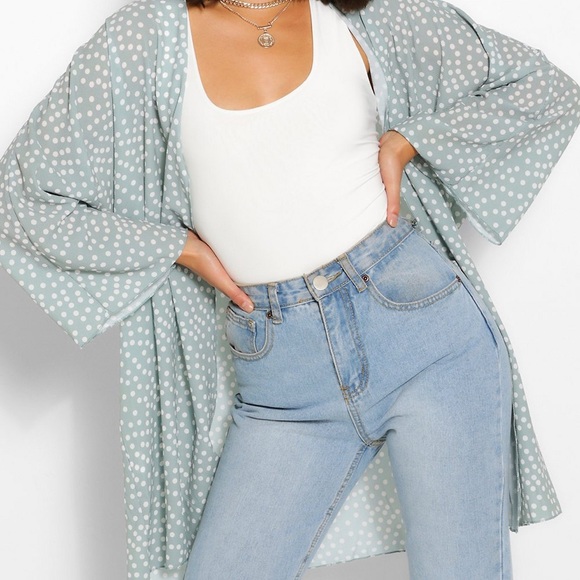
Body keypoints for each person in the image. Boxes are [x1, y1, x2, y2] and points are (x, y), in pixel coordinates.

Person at [1, 0, 579, 579]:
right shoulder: (142, 38)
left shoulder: (368, 15)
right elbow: (20, 195)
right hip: (284, 380)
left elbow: (543, 87)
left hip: (426, 337)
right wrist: (177, 247)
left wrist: (409, 139)